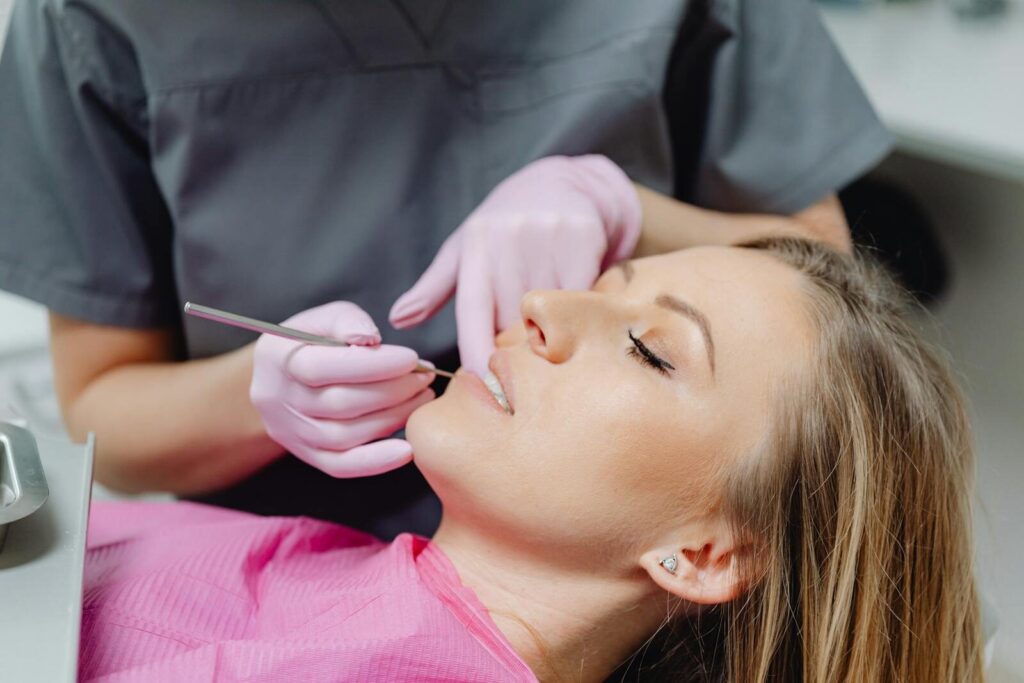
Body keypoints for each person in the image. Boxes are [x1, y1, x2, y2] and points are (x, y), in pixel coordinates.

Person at [0, 0, 893, 536]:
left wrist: (628, 213)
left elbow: (827, 299)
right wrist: (255, 397)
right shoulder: (97, 21)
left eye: (648, 342)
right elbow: (102, 409)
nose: (527, 327)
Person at [79, 239, 982, 682]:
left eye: (648, 349)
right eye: (599, 284)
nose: (546, 303)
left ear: (702, 552)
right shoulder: (384, 590)